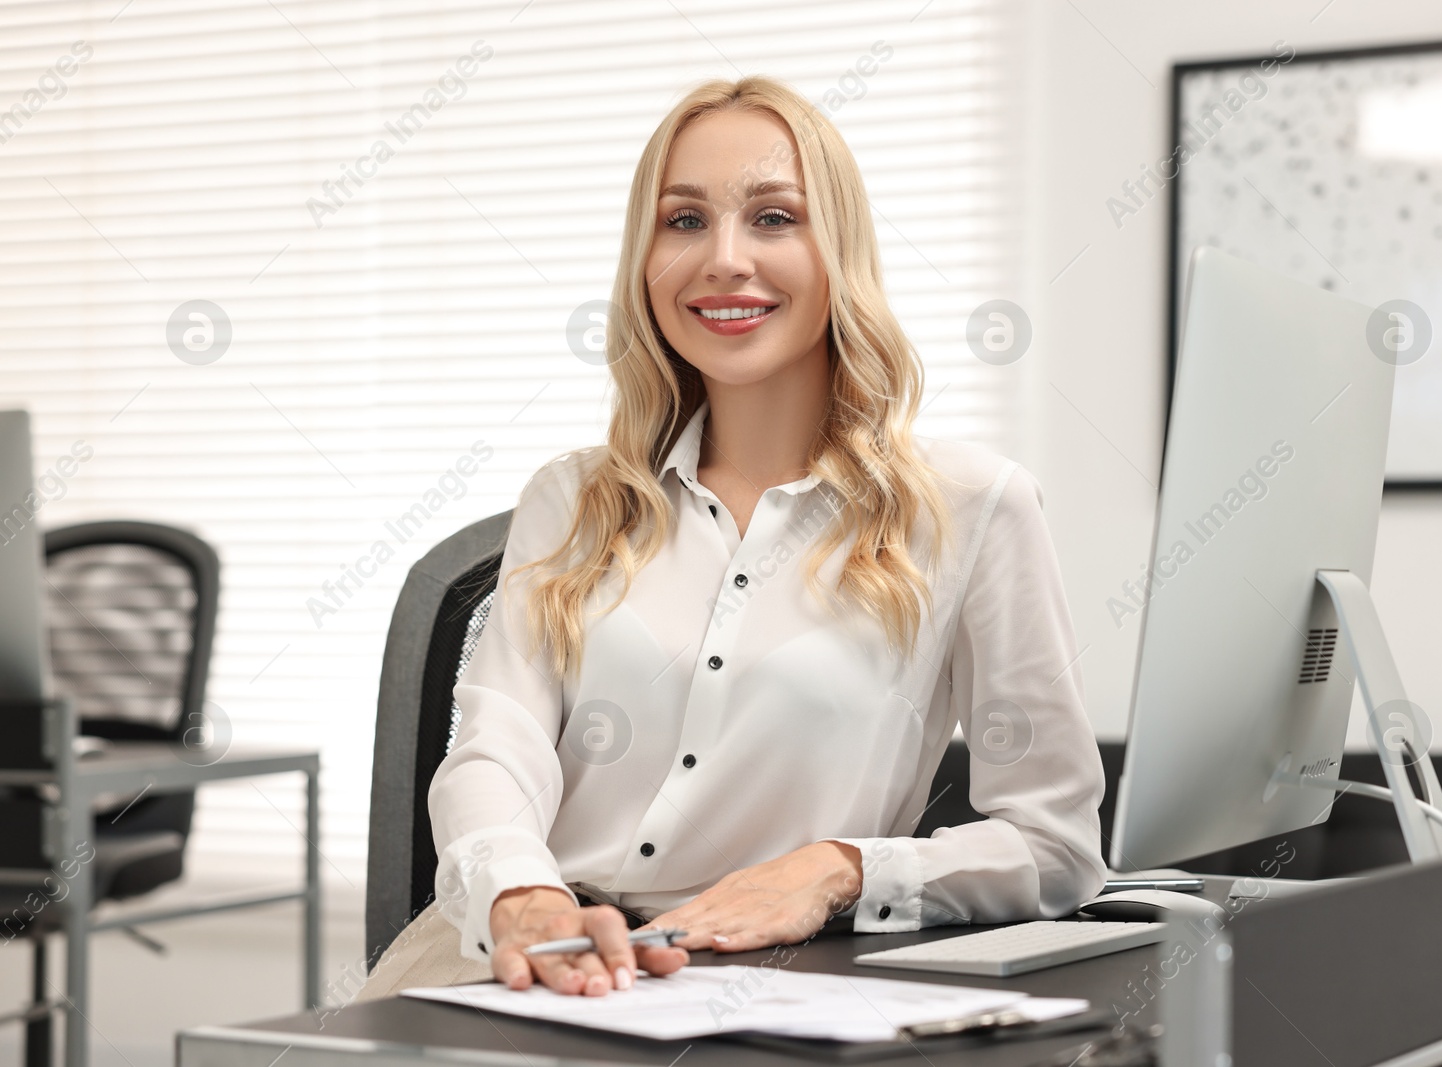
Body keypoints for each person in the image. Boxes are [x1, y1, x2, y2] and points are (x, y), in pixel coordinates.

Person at [367, 74, 1106, 1001]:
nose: (723, 258)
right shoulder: (571, 498)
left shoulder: (974, 508)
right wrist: (521, 896)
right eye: (682, 222)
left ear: (838, 249)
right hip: (534, 964)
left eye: (772, 217)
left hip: (774, 981)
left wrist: (839, 870)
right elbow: (495, 747)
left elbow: (1054, 842)